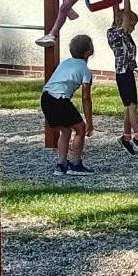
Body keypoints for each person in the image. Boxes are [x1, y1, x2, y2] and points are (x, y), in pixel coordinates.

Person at [42, 32, 95, 175]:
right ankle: (75, 165)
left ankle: (61, 165)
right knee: (80, 128)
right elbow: (86, 97)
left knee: (65, 130)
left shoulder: (65, 62)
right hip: (59, 99)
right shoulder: (85, 70)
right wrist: (89, 123)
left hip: (45, 97)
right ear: (89, 52)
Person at [107, 0, 138, 156]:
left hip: (128, 72)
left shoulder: (124, 34)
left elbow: (117, 13)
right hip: (123, 74)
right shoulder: (114, 33)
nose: (133, 28)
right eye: (132, 25)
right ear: (122, 23)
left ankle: (126, 137)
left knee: (131, 106)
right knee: (131, 106)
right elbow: (124, 15)